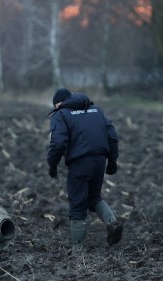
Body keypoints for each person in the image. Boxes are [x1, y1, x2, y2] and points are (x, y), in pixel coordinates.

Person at [46, 88, 123, 247]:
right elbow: (112, 136)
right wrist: (112, 161)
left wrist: (52, 164)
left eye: (56, 105)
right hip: (99, 161)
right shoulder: (97, 111)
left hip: (79, 163)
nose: (56, 108)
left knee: (77, 203)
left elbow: (58, 143)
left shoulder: (61, 115)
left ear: (60, 103)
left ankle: (77, 250)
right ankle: (112, 222)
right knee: (93, 197)